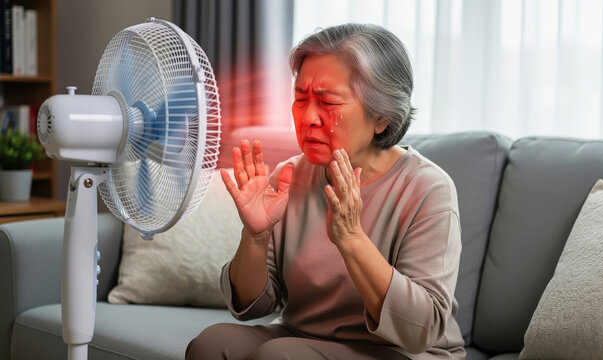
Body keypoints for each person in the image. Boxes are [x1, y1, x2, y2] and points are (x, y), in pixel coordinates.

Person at [186, 23, 465, 360]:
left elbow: (421, 330)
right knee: (210, 345)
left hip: (401, 351)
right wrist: (255, 236)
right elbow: (252, 306)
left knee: (279, 356)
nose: (309, 118)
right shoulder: (289, 176)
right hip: (301, 336)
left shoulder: (426, 188)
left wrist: (351, 238)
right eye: (301, 99)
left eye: (327, 101)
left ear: (382, 117)